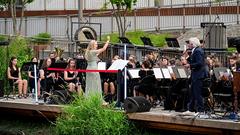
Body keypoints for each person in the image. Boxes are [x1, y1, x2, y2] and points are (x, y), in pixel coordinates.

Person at [186, 37, 208, 112]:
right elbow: (193, 60)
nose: (188, 45)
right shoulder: (195, 50)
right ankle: (191, 109)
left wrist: (190, 66)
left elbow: (199, 63)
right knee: (192, 93)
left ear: (192, 44)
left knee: (197, 93)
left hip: (198, 75)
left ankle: (200, 110)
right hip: (195, 75)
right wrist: (186, 56)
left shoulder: (198, 51)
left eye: (189, 43)